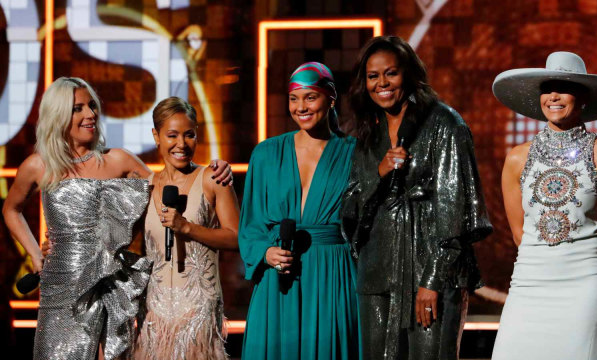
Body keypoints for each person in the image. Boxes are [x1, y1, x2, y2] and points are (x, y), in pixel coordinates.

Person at [3, 77, 232, 360]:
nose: (90, 114)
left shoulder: (119, 160)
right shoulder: (38, 166)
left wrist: (212, 169)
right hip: (61, 289)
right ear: (58, 114)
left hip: (111, 285)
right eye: (78, 108)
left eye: (91, 106)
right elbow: (10, 210)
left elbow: (166, 183)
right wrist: (37, 255)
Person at [342, 36, 492, 360]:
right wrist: (378, 173)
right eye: (372, 76)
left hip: (430, 274)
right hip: (378, 275)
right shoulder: (369, 133)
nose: (381, 83)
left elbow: (455, 209)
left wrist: (433, 280)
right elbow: (351, 206)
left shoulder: (446, 124)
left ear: (408, 74)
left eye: (391, 73)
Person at [491, 52, 597, 360]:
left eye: (564, 87)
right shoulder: (517, 158)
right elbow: (520, 234)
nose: (554, 96)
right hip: (528, 286)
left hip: (586, 289)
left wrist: (591, 271)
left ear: (584, 97)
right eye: (548, 87)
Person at [239, 62, 360, 360]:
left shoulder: (355, 152)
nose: (301, 107)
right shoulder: (266, 153)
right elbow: (251, 225)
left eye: (310, 97)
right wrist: (266, 252)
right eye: (294, 98)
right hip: (278, 279)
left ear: (331, 98)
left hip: (334, 274)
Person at [133, 97, 240, 359]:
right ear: (156, 136)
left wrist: (187, 228)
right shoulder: (142, 187)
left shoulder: (213, 179)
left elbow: (236, 238)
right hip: (154, 316)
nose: (181, 144)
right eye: (172, 135)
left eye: (189, 135)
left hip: (198, 312)